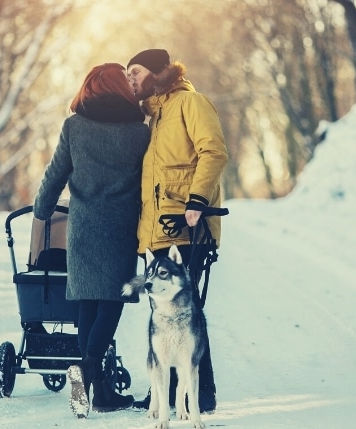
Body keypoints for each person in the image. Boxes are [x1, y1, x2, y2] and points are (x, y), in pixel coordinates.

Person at [33, 63, 150, 415]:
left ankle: (92, 386)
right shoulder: (140, 132)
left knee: (87, 300)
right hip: (121, 226)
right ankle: (92, 376)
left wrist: (42, 210)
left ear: (89, 88)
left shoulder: (74, 126)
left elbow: (56, 172)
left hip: (82, 227)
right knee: (111, 300)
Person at [126, 48, 229, 413]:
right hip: (158, 232)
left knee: (187, 312)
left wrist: (197, 201)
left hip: (187, 228)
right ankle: (179, 394)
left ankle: (195, 394)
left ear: (156, 72)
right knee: (167, 314)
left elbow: (214, 152)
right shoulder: (154, 116)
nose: (131, 80)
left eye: (135, 72)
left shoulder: (190, 103)